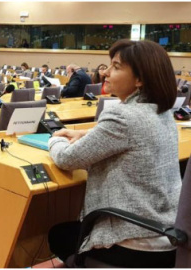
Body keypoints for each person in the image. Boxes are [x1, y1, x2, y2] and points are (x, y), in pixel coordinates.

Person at [47, 39, 180, 268]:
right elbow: (131, 134)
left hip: (131, 245)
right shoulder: (162, 112)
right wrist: (86, 133)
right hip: (167, 236)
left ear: (140, 79)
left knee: (58, 234)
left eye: (116, 67)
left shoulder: (122, 117)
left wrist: (54, 139)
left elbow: (67, 159)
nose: (106, 72)